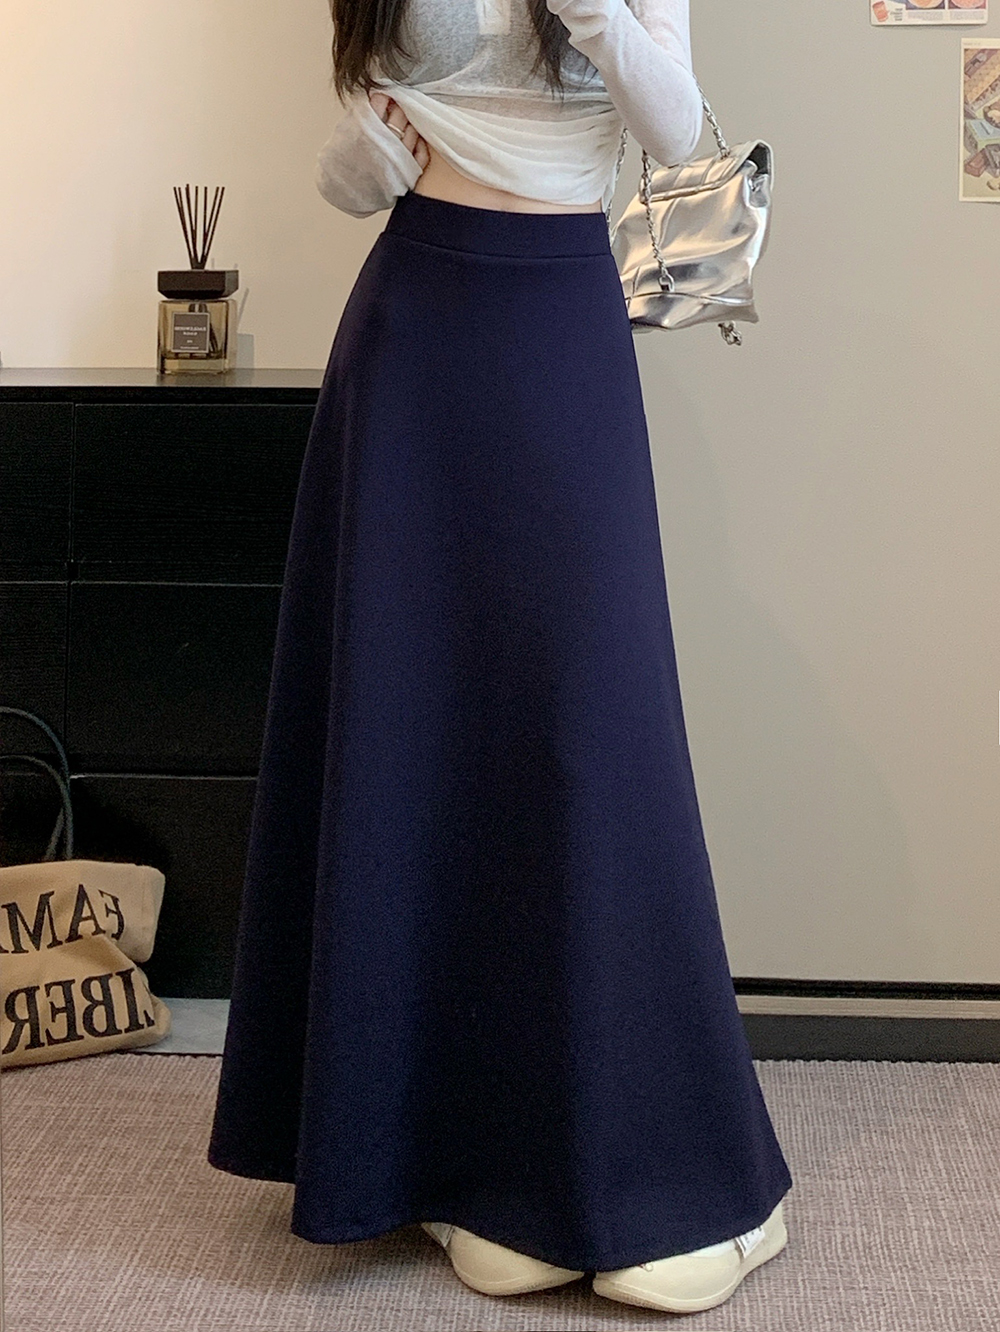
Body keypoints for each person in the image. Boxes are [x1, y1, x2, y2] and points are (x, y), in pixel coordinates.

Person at [207, 0, 794, 1316]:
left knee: (590, 734)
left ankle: (664, 1168)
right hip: (412, 326)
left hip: (559, 317)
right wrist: (368, 152)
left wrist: (596, 12)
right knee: (414, 727)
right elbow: (349, 168)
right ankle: (457, 1164)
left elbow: (679, 131)